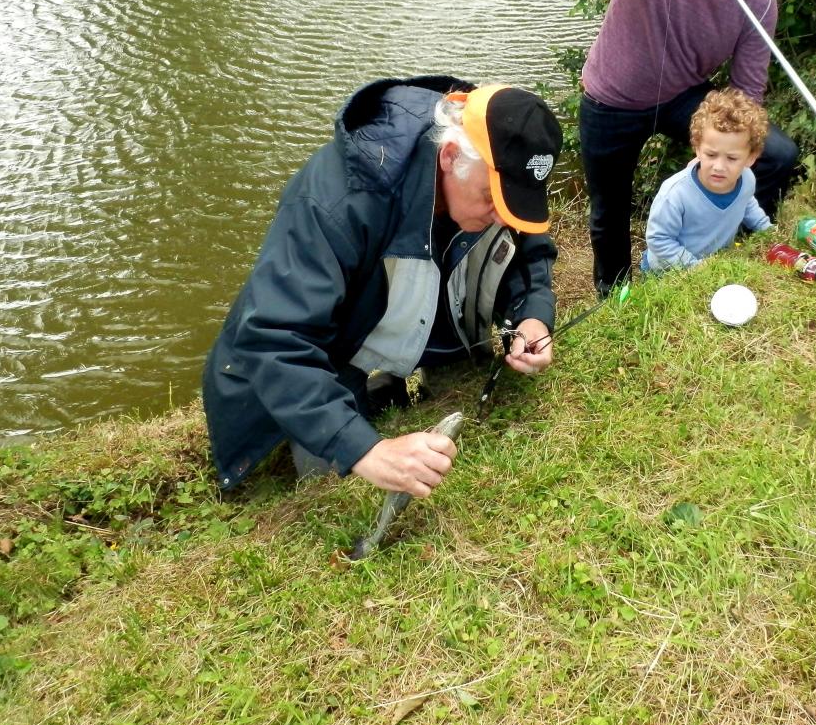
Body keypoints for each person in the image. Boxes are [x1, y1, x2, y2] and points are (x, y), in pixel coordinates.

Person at [203, 76, 563, 499]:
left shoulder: (486, 167)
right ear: (450, 156)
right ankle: (365, 392)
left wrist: (532, 314)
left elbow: (526, 244)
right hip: (325, 350)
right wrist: (367, 450)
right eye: (491, 198)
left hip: (417, 314)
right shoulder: (339, 199)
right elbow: (274, 337)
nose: (503, 218)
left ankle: (393, 380)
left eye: (514, 202)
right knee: (328, 480)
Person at [555, 0, 800, 296]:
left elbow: (746, 96)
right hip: (612, 97)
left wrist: (731, 152)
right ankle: (617, 299)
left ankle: (726, 256)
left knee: (776, 153)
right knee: (609, 211)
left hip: (682, 95)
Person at [641, 88, 772, 272]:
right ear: (697, 147)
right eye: (711, 154)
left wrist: (766, 230)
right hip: (668, 272)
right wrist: (696, 268)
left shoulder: (747, 180)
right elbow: (658, 239)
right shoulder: (675, 194)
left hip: (712, 264)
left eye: (732, 158)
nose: (719, 166)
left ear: (751, 157)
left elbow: (747, 201)